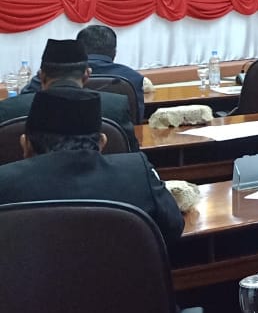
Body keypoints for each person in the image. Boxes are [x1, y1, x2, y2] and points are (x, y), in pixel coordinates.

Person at [0, 88, 185, 248]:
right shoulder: (137, 172)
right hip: (128, 287)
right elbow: (173, 227)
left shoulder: (5, 183)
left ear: (26, 144)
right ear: (103, 142)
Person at [0, 39, 138, 150]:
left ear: (41, 76)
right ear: (87, 75)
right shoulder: (115, 106)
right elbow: (131, 153)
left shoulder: (8, 109)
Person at [75, 24, 145, 114]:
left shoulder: (64, 76)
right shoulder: (133, 78)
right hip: (122, 128)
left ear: (78, 50)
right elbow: (137, 118)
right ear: (114, 52)